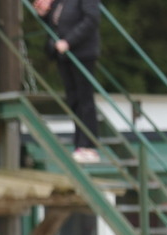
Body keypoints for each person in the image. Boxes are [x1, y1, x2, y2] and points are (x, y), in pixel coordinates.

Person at [34, 0, 102, 164]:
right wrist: (44, 14)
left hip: (83, 54)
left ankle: (89, 147)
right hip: (64, 56)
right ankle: (79, 145)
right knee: (73, 100)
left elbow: (92, 20)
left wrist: (69, 41)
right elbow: (56, 24)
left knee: (85, 100)